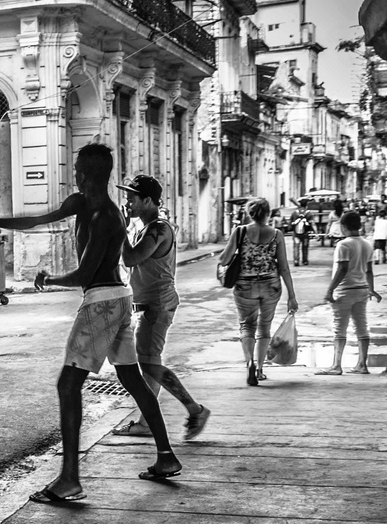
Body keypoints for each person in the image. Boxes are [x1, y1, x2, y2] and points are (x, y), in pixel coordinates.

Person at [0, 144, 181, 503]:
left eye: (77, 169)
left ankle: (70, 479)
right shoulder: (80, 203)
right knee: (132, 379)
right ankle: (165, 457)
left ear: (84, 174)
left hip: (101, 301)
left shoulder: (106, 218)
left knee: (68, 385)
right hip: (118, 299)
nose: (75, 174)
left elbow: (86, 273)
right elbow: (38, 220)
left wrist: (49, 279)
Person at [111, 176, 211, 439]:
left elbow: (131, 257)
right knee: (149, 362)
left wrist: (121, 229)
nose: (127, 203)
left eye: (132, 198)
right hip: (148, 305)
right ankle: (146, 422)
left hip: (157, 304)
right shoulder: (147, 228)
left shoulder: (160, 229)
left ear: (147, 201)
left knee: (149, 364)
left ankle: (194, 409)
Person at [219, 196, 298, 386]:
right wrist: (292, 295)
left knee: (247, 326)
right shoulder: (277, 234)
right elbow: (284, 267)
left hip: (245, 286)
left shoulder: (239, 232)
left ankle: (249, 362)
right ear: (268, 214)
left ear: (250, 213)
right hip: (271, 285)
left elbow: (223, 259)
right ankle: (260, 369)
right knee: (264, 328)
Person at [315, 210, 380, 375]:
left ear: (343, 226)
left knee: (339, 328)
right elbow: (370, 271)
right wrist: (371, 289)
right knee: (362, 327)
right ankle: (362, 365)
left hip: (344, 290)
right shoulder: (367, 244)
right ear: (359, 225)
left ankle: (336, 365)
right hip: (362, 290)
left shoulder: (343, 244)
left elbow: (342, 268)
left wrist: (330, 290)